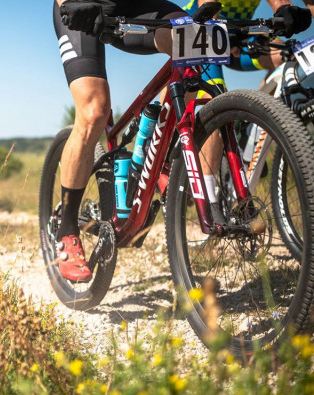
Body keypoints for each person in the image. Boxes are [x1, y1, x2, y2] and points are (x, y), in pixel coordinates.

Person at [53, 0, 310, 283]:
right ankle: (66, 230)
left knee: (194, 47)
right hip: (83, 9)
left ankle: (157, 163)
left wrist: (282, 7)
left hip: (134, 6)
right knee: (94, 112)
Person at [186, 0, 313, 224]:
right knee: (214, 105)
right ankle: (210, 210)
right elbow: (207, 5)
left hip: (242, 36)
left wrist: (286, 11)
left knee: (288, 57)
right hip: (201, 28)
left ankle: (250, 131)